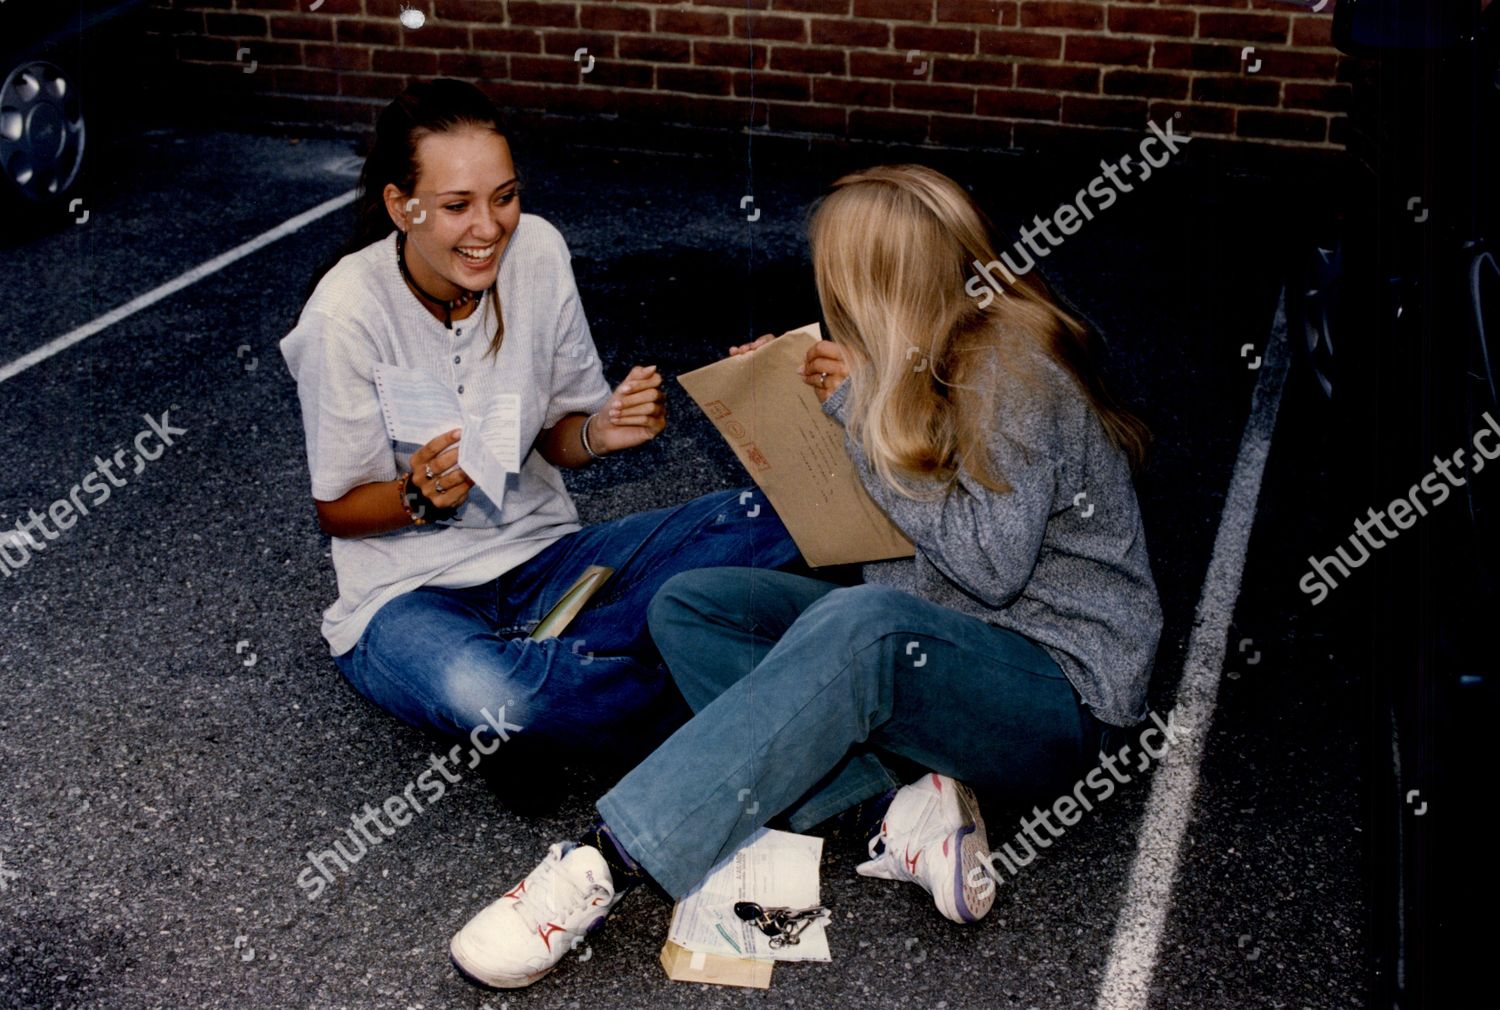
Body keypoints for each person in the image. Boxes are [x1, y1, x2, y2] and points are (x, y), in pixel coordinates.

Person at [446, 163, 1166, 989]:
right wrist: (802, 408)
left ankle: (598, 869)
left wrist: (860, 420)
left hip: (1061, 696)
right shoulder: (922, 347)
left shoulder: (1014, 367)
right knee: (696, 605)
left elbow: (989, 568)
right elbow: (876, 540)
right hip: (940, 642)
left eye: (835, 275)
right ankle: (894, 814)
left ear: (877, 282)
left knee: (859, 627)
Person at [279, 78, 800, 767]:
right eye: (457, 205)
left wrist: (597, 431)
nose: (489, 228)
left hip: (549, 564)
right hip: (407, 601)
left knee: (776, 516)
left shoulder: (540, 253)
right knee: (499, 699)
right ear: (402, 208)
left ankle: (577, 700)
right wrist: (416, 496)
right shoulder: (343, 315)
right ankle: (736, 684)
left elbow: (558, 432)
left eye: (505, 197)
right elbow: (336, 510)